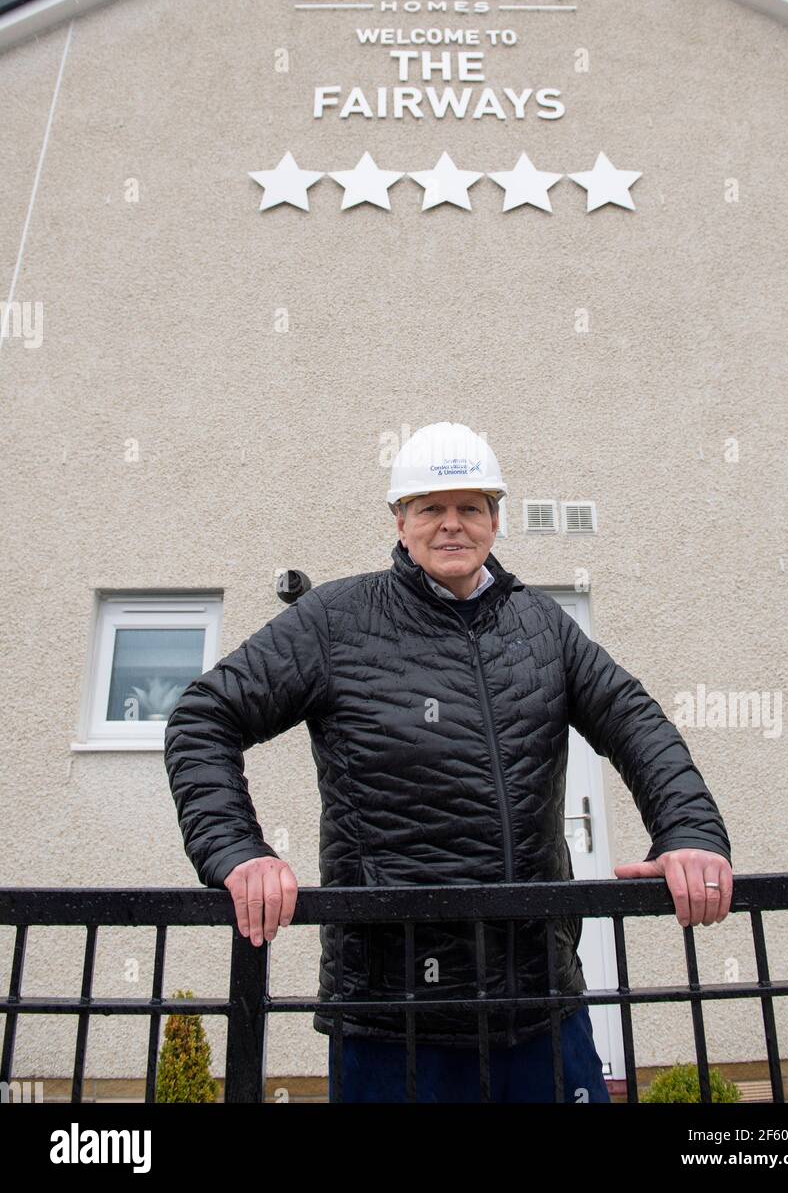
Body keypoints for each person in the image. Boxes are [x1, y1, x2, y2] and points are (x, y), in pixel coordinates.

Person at [164, 421, 733, 1104]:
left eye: (470, 508)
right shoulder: (335, 620)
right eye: (431, 508)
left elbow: (637, 723)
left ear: (495, 520)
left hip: (538, 1003)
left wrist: (690, 834)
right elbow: (203, 717)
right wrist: (236, 850)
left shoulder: (543, 626)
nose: (451, 526)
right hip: (392, 1018)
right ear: (400, 522)